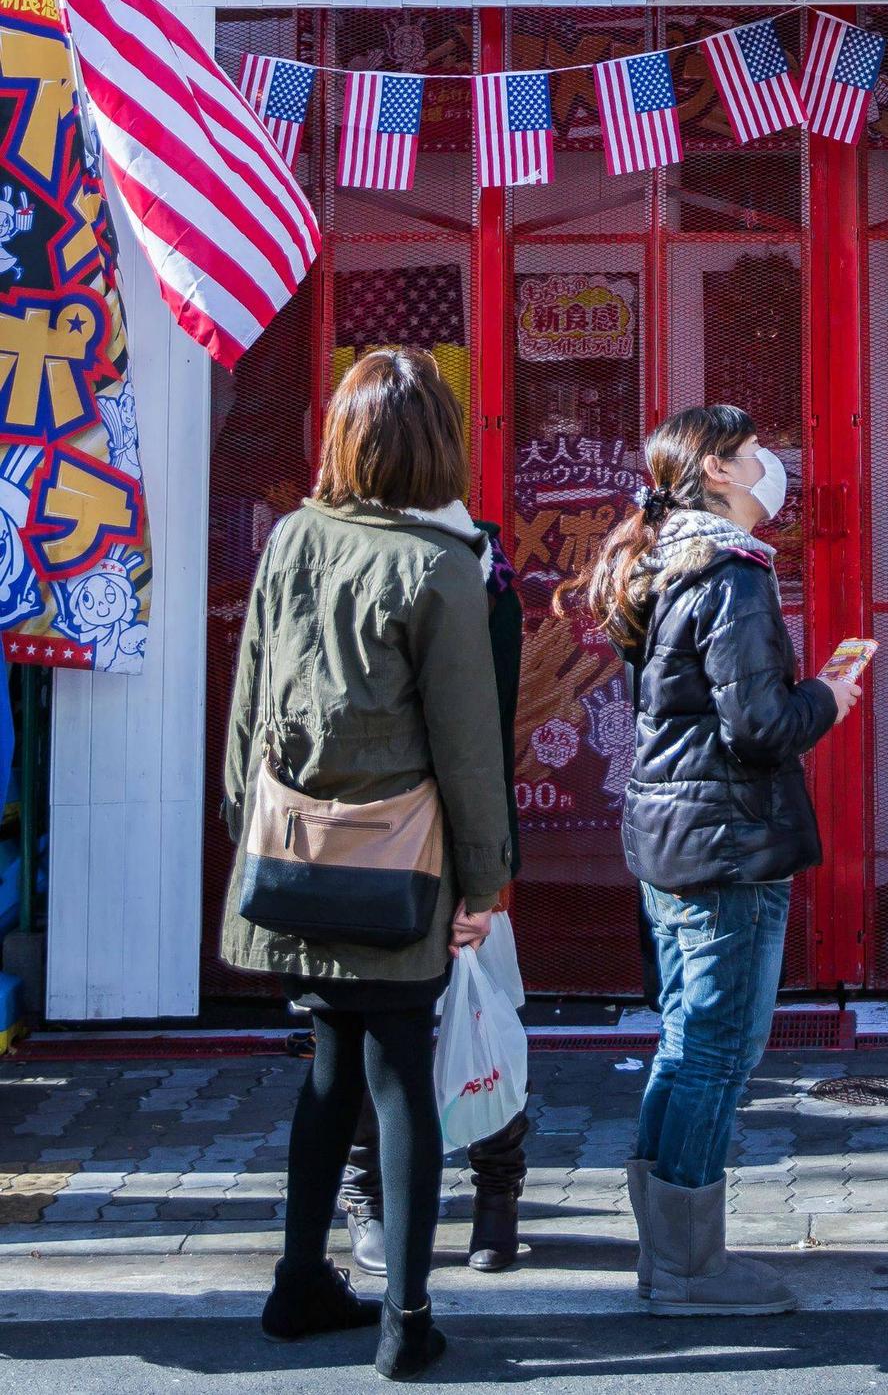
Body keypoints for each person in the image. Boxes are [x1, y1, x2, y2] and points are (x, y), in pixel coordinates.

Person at [221, 348, 512, 1382]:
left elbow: (248, 701)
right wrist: (483, 880)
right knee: (399, 1082)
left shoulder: (291, 537)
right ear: (438, 442)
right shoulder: (442, 564)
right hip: (398, 865)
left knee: (327, 1072)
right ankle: (405, 1316)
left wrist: (247, 826)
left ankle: (299, 1280)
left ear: (343, 437)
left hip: (295, 854)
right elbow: (468, 746)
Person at [565, 402, 859, 1313]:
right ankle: (689, 1268)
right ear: (719, 472)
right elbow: (758, 726)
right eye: (755, 449)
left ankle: (667, 1255)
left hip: (674, 834)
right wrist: (828, 695)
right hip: (728, 839)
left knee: (685, 1040)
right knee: (718, 1051)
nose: (774, 462)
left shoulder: (662, 560)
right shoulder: (731, 573)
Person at [340, 515, 528, 1276]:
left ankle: (497, 1193)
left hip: (461, 825)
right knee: (371, 1019)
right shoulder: (339, 546)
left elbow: (489, 725)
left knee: (483, 1003)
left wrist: (483, 867)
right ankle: (369, 1195)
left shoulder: (483, 569)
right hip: (366, 829)